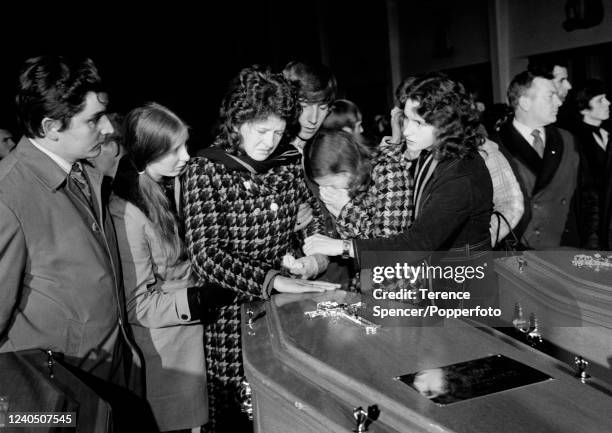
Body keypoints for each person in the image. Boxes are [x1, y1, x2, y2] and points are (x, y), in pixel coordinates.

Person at [182, 65, 337, 433]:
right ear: (237, 121)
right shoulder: (207, 169)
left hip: (285, 309)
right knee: (238, 417)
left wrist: (313, 259)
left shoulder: (286, 163)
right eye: (261, 130)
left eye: (279, 132)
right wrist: (271, 280)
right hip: (231, 317)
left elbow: (316, 220)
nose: (270, 141)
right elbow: (207, 255)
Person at [0, 55, 150, 430]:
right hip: (58, 399)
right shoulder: (7, 196)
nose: (107, 128)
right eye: (92, 120)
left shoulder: (82, 172)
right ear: (51, 126)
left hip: (108, 379)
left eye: (104, 114)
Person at [304, 74, 493, 300]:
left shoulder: (462, 175)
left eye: (419, 123)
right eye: (406, 119)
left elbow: (415, 244)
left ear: (446, 124)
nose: (406, 131)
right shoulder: (433, 153)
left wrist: (341, 247)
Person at [111, 103, 233, 432]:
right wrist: (197, 300)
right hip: (168, 358)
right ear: (148, 151)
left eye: (185, 146)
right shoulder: (127, 211)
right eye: (173, 149)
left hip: (199, 342)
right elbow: (138, 305)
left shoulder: (175, 182)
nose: (186, 156)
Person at [303, 129, 414, 290]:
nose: (327, 191)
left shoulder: (388, 172)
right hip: (365, 283)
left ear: (347, 167)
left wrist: (346, 209)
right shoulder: (353, 181)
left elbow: (388, 252)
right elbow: (355, 252)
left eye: (331, 185)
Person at [492, 70, 580, 249]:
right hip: (517, 255)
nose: (558, 102)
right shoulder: (495, 145)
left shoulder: (567, 140)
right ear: (525, 102)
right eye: (550, 96)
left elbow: (583, 197)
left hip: (563, 248)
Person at [571, 79, 609, 248]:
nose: (608, 103)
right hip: (592, 218)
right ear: (584, 107)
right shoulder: (575, 138)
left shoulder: (607, 133)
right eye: (600, 100)